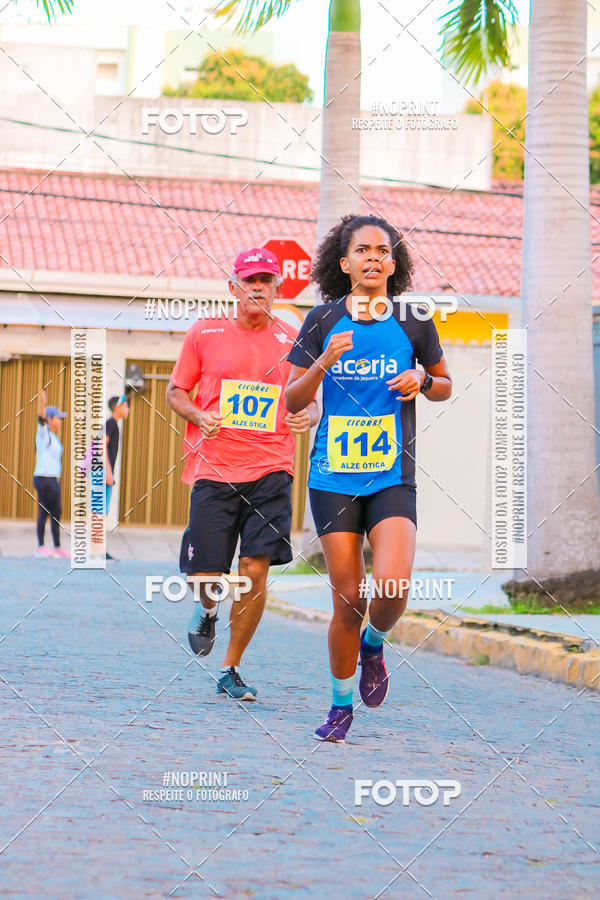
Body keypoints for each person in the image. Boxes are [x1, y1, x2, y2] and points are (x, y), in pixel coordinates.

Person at [285, 214, 452, 742]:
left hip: (391, 475)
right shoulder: (321, 320)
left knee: (395, 583)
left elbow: (445, 384)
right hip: (332, 477)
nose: (373, 258)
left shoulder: (414, 319)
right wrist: (324, 361)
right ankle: (340, 706)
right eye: (362, 250)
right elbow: (292, 400)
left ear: (393, 264)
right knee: (348, 599)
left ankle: (374, 644)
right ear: (344, 263)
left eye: (383, 251)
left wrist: (422, 378)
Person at [166, 247, 319, 701]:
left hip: (272, 467)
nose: (257, 287)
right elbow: (176, 391)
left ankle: (230, 668)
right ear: (233, 287)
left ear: (277, 289)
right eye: (249, 280)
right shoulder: (205, 332)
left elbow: (312, 400)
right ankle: (207, 609)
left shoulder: (294, 339)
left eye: (266, 281)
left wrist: (307, 415)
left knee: (254, 568)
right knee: (206, 574)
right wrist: (199, 415)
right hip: (214, 468)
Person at [33, 388, 69, 558]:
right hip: (43, 478)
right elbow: (41, 421)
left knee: (57, 512)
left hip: (53, 479)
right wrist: (43, 404)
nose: (60, 421)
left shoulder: (54, 437)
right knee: (44, 511)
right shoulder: (44, 434)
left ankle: (57, 546)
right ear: (50, 419)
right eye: (58, 418)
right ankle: (40, 547)